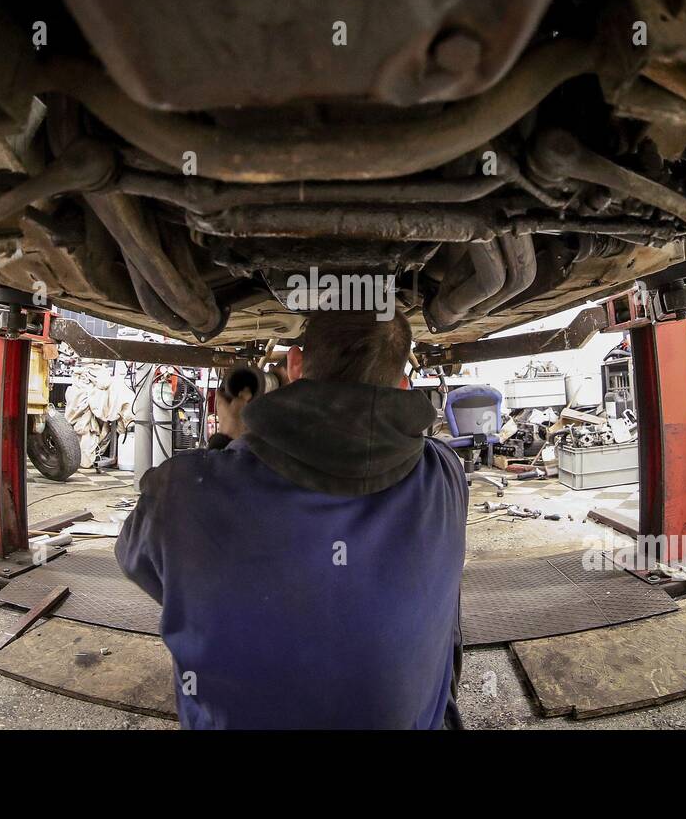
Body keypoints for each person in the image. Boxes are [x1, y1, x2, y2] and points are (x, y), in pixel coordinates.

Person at [115, 309, 467, 729]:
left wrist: (230, 440)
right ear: (404, 384)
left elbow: (142, 563)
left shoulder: (183, 491)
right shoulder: (447, 474)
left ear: (296, 364)